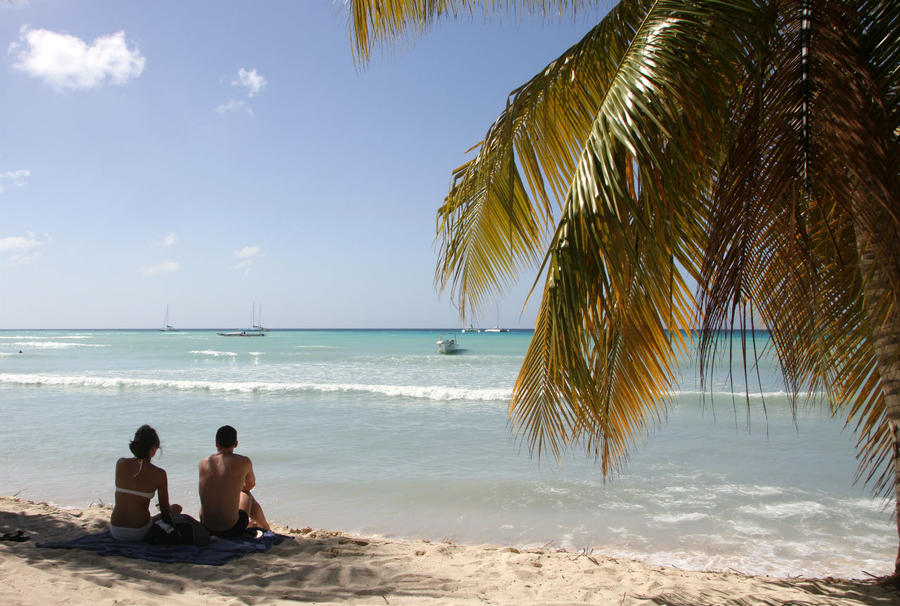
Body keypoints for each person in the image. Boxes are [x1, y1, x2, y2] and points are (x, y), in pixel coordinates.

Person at [110, 425, 182, 541]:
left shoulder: (120, 463)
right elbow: (165, 512)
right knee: (176, 508)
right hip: (138, 532)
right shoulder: (159, 473)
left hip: (115, 530)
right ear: (153, 448)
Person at [198, 425, 270, 537]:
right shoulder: (244, 461)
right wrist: (235, 489)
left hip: (205, 527)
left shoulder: (203, 462)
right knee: (247, 494)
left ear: (216, 444)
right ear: (236, 444)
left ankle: (259, 525)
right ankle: (266, 528)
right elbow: (250, 484)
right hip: (230, 530)